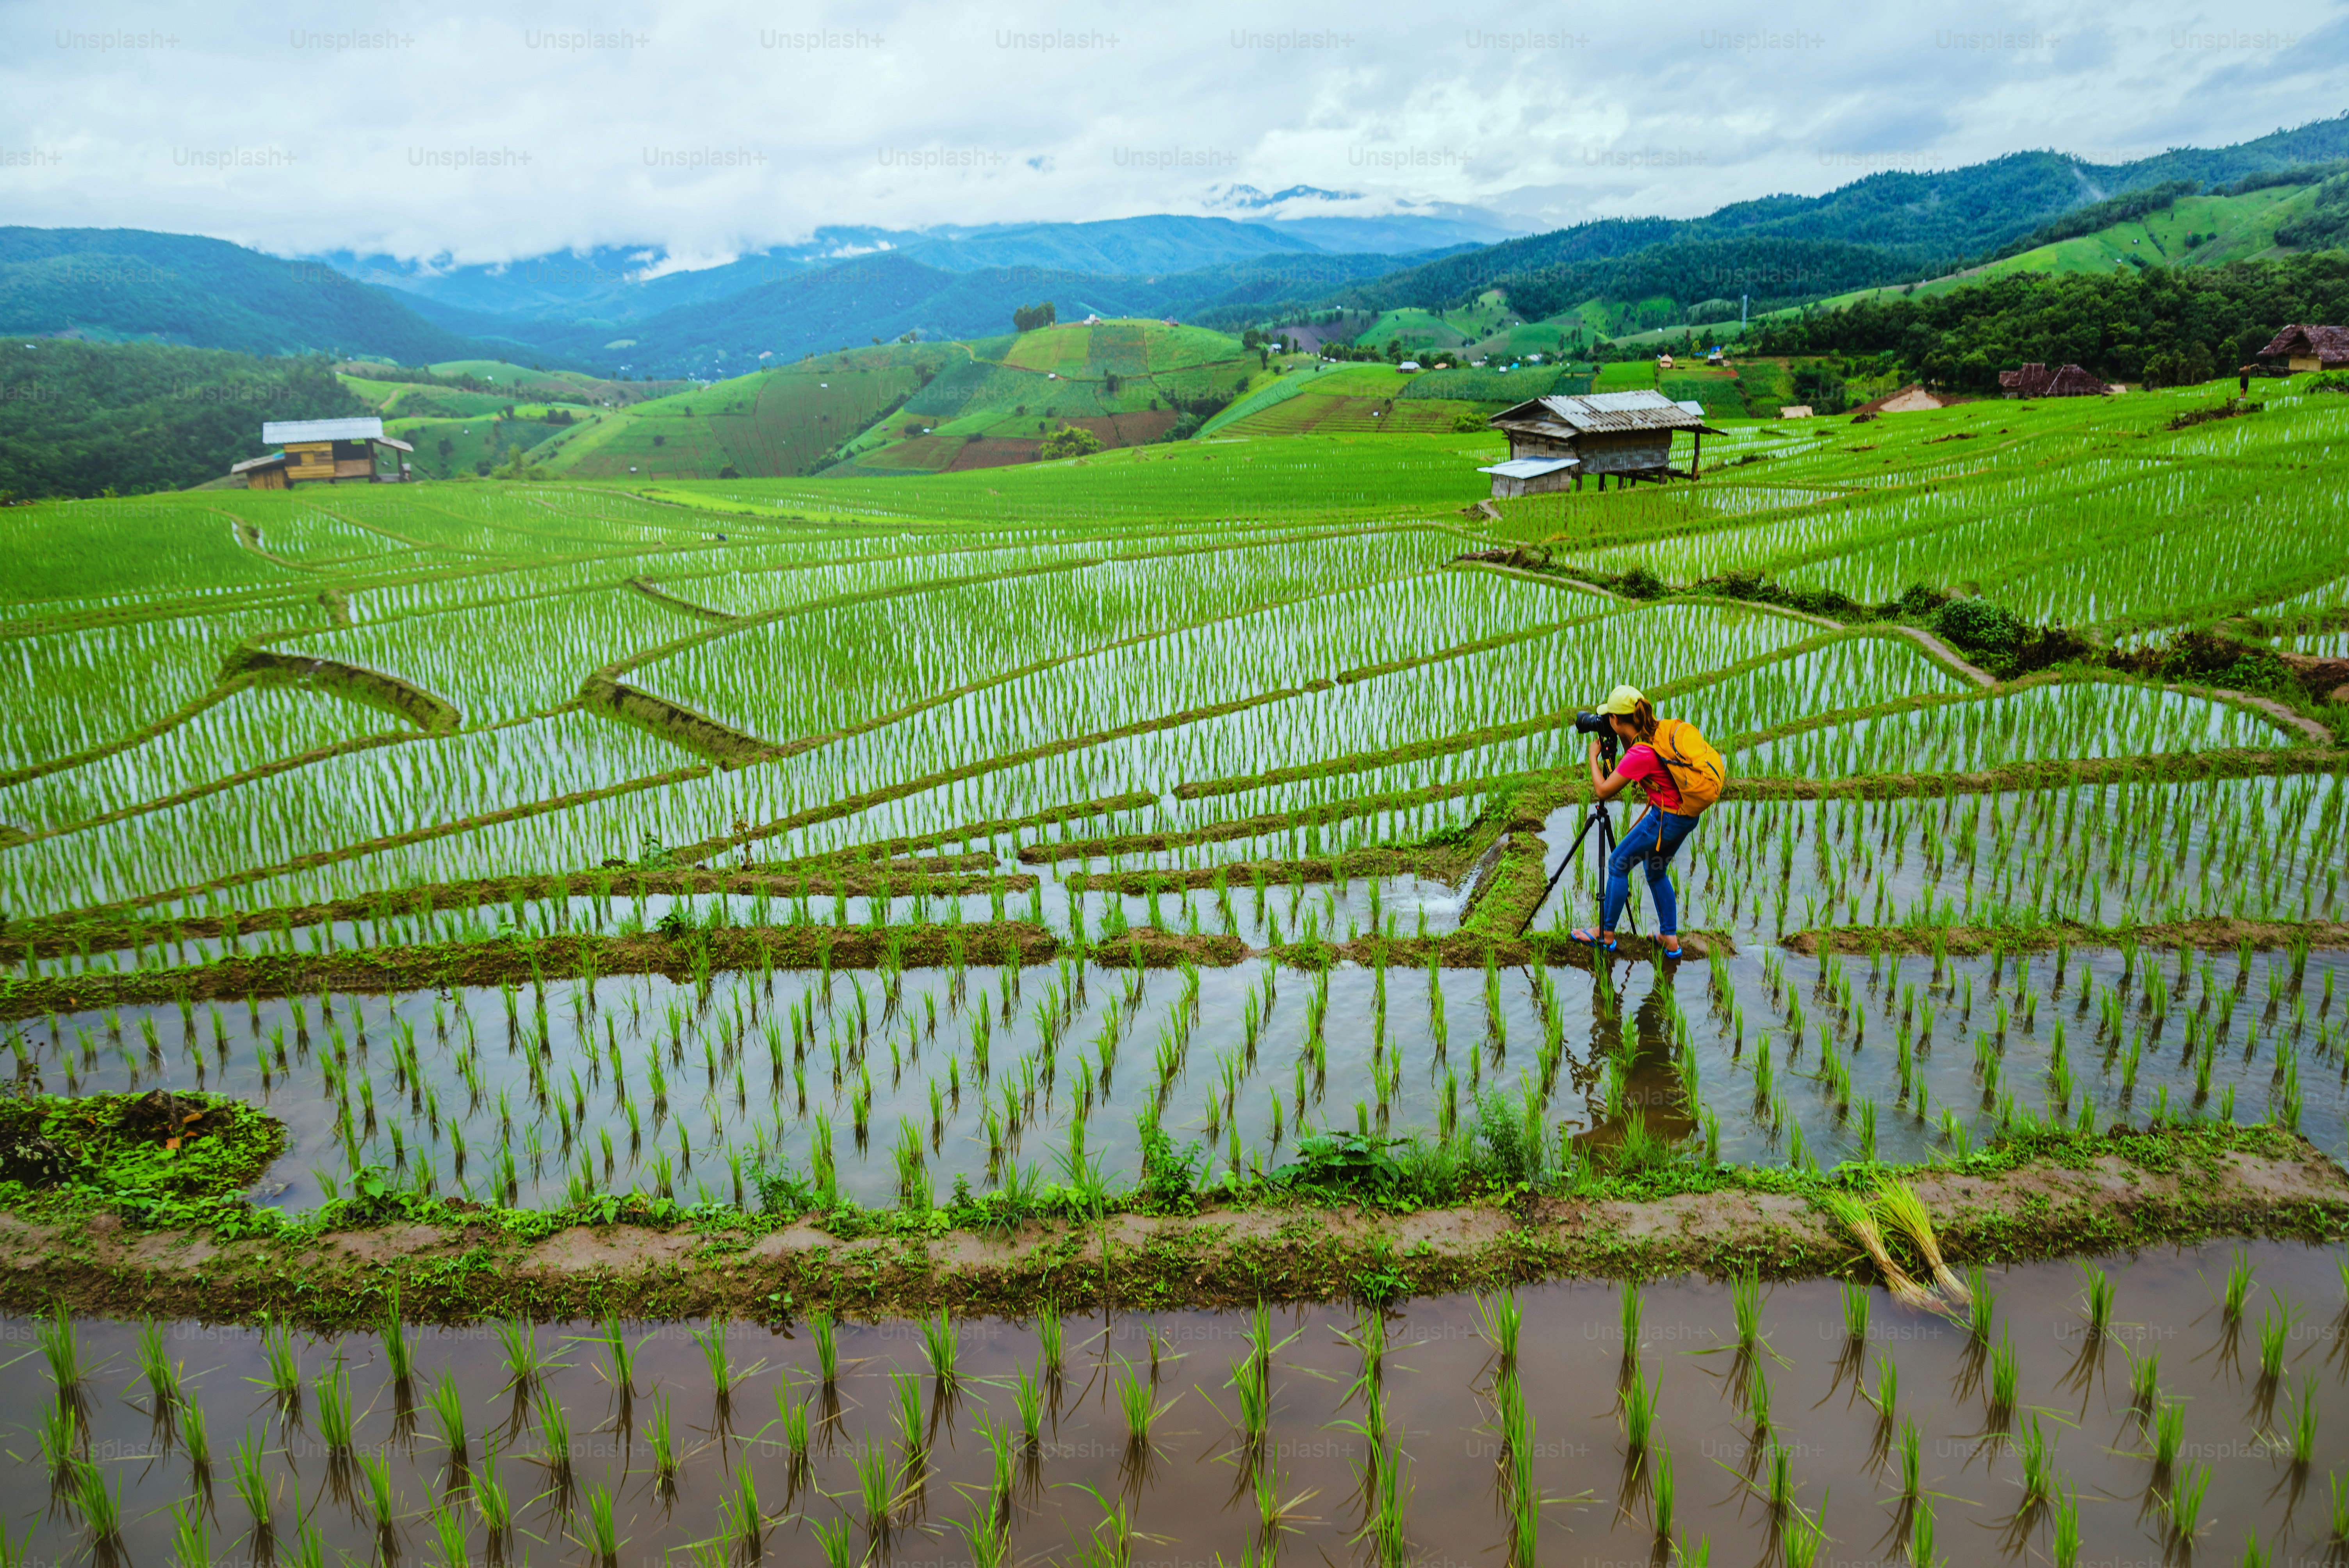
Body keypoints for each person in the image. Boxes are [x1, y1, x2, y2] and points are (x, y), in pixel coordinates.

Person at [1571, 685, 1700, 957]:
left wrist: (1594, 758)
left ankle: (1605, 934)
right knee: (1655, 871)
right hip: (1686, 816)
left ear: (1617, 721)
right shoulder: (1654, 735)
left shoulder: (1640, 754)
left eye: (1609, 719)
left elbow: (1603, 790)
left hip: (1666, 817)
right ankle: (1669, 938)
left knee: (1618, 864)